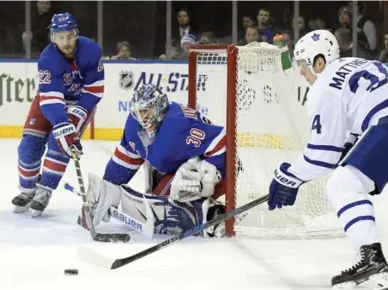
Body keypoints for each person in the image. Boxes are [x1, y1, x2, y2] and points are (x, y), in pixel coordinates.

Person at [268, 30, 388, 290]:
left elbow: (321, 157)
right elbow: (352, 135)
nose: (302, 74)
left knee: (344, 183)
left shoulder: (322, 87)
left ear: (319, 62)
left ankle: (371, 262)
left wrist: (287, 177)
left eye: (303, 66)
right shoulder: (360, 64)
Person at [86, 84, 229, 237]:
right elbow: (126, 159)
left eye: (147, 112)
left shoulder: (178, 125)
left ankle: (212, 213)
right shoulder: (134, 127)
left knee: (167, 205)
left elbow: (221, 139)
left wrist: (206, 175)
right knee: (159, 204)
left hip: (218, 168)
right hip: (173, 167)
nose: (143, 119)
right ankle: (194, 208)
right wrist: (107, 188)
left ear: (160, 107)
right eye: (139, 113)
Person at [12, 13, 104, 217]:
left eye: (70, 36)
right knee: (28, 146)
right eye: (60, 37)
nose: (66, 42)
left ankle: (44, 190)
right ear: (53, 37)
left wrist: (75, 120)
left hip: (80, 102)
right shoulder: (47, 59)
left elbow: (94, 90)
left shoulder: (92, 51)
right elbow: (51, 99)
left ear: (76, 34)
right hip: (49, 100)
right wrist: (63, 124)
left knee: (60, 143)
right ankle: (27, 190)